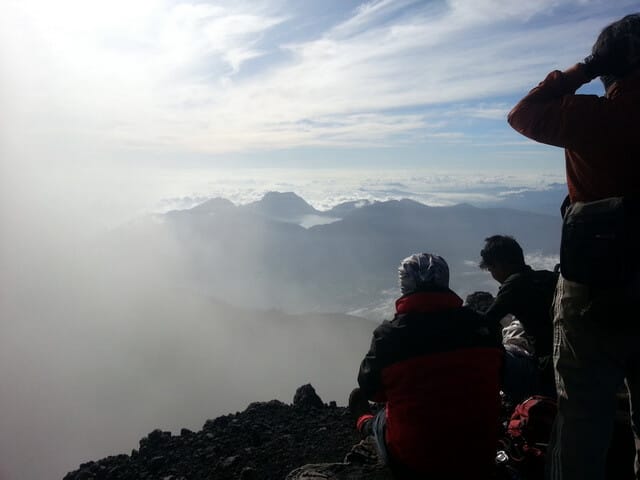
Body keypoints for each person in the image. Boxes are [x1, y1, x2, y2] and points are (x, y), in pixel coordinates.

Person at [507, 13, 640, 480]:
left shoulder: (591, 118)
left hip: (593, 289)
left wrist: (584, 67)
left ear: (611, 65)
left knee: (583, 412)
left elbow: (521, 113)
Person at [348, 253, 502, 479]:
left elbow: (373, 391)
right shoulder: (481, 327)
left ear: (404, 286)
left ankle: (365, 424)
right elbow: (497, 373)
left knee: (383, 418)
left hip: (417, 460)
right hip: (481, 452)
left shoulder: (388, 337)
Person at [479, 235, 559, 400]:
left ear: (500, 265)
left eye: (491, 269)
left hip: (545, 371)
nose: (493, 275)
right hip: (566, 362)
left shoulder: (514, 284)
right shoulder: (549, 277)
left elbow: (487, 321)